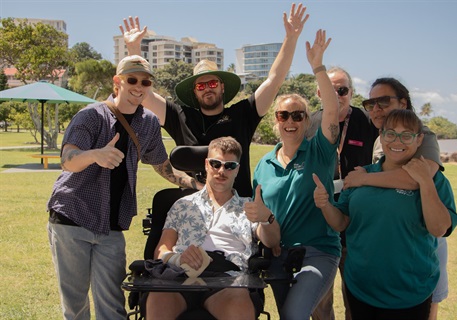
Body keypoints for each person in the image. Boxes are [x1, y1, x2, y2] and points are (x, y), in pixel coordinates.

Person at [47, 55, 198, 320]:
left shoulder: (148, 122)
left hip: (111, 226)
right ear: (117, 82)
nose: (139, 87)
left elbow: (162, 165)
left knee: (113, 306)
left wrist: (194, 184)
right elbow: (67, 160)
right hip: (73, 218)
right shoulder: (91, 117)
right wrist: (95, 155)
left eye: (145, 82)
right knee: (75, 305)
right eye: (132, 80)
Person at [119, 3, 309, 197]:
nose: (207, 89)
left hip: (237, 206)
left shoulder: (243, 114)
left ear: (222, 86)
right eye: (201, 86)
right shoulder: (180, 116)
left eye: (212, 83)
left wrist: (291, 38)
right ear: (194, 92)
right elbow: (145, 95)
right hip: (194, 207)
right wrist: (134, 48)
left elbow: (274, 80)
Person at [313, 109, 457, 319]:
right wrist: (326, 204)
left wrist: (425, 180)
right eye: (390, 133)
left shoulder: (436, 181)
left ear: (419, 140)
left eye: (406, 135)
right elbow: (341, 222)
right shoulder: (361, 175)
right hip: (361, 289)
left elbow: (439, 228)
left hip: (411, 293)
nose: (397, 141)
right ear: (381, 136)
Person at [344, 77, 449, 319]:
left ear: (404, 102)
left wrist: (363, 179)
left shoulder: (423, 134)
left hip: (419, 243)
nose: (376, 108)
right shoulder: (381, 138)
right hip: (375, 267)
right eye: (371, 103)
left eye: (384, 101)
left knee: (428, 302)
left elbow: (415, 179)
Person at [252, 29, 340, 320]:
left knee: (294, 314)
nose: (290, 121)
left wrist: (317, 66)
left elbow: (332, 108)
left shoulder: (320, 151)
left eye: (298, 115)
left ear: (306, 120)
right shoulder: (264, 164)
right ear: (276, 121)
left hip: (318, 251)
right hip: (278, 255)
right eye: (283, 115)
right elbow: (260, 214)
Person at [146, 136, 280, 320]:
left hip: (228, 279)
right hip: (181, 275)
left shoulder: (250, 207)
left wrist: (266, 219)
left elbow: (272, 241)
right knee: (157, 299)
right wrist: (177, 258)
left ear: (237, 170)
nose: (221, 171)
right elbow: (160, 250)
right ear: (207, 164)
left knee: (239, 307)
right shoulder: (182, 205)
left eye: (229, 166)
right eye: (216, 164)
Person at [306, 67, 378, 320]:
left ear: (351, 92)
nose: (336, 94)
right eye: (330, 88)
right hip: (319, 222)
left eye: (342, 90)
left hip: (357, 221)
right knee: (320, 301)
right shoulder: (310, 122)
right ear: (319, 91)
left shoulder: (367, 121)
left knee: (356, 298)